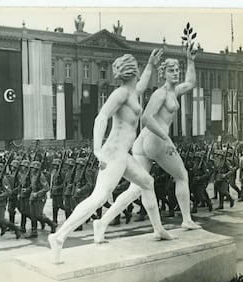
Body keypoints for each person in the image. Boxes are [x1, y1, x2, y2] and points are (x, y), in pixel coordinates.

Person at [49, 49, 171, 264]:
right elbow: (101, 117)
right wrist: (96, 149)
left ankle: (155, 229)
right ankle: (58, 236)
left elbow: (141, 86)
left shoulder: (131, 92)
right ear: (134, 71)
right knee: (99, 197)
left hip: (121, 154)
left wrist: (151, 65)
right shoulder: (121, 93)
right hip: (113, 153)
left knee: (147, 183)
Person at [92, 44, 201, 245]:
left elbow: (190, 83)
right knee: (182, 175)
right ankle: (186, 219)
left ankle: (102, 222)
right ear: (163, 74)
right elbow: (147, 119)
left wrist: (191, 60)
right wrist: (167, 139)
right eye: (171, 70)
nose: (176, 73)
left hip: (143, 142)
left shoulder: (173, 91)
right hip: (155, 140)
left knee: (136, 188)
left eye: (177, 70)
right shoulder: (160, 94)